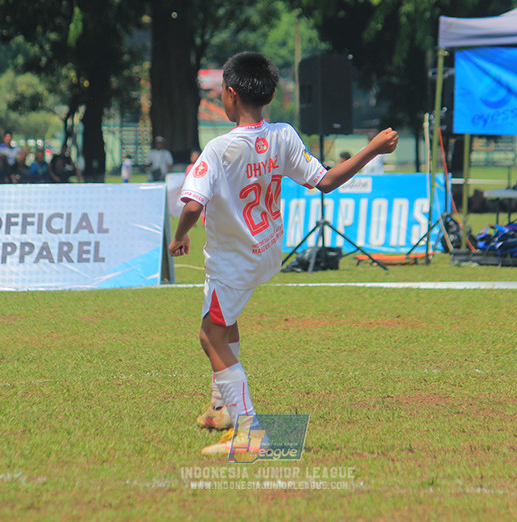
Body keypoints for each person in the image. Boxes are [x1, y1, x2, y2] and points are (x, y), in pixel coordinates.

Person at [168, 51, 399, 455]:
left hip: (233, 260)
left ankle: (249, 433)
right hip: (267, 250)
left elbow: (191, 205)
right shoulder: (283, 135)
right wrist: (373, 149)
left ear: (232, 94)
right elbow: (326, 181)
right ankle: (221, 407)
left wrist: (179, 237)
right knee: (226, 320)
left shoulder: (219, 149)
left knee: (209, 335)